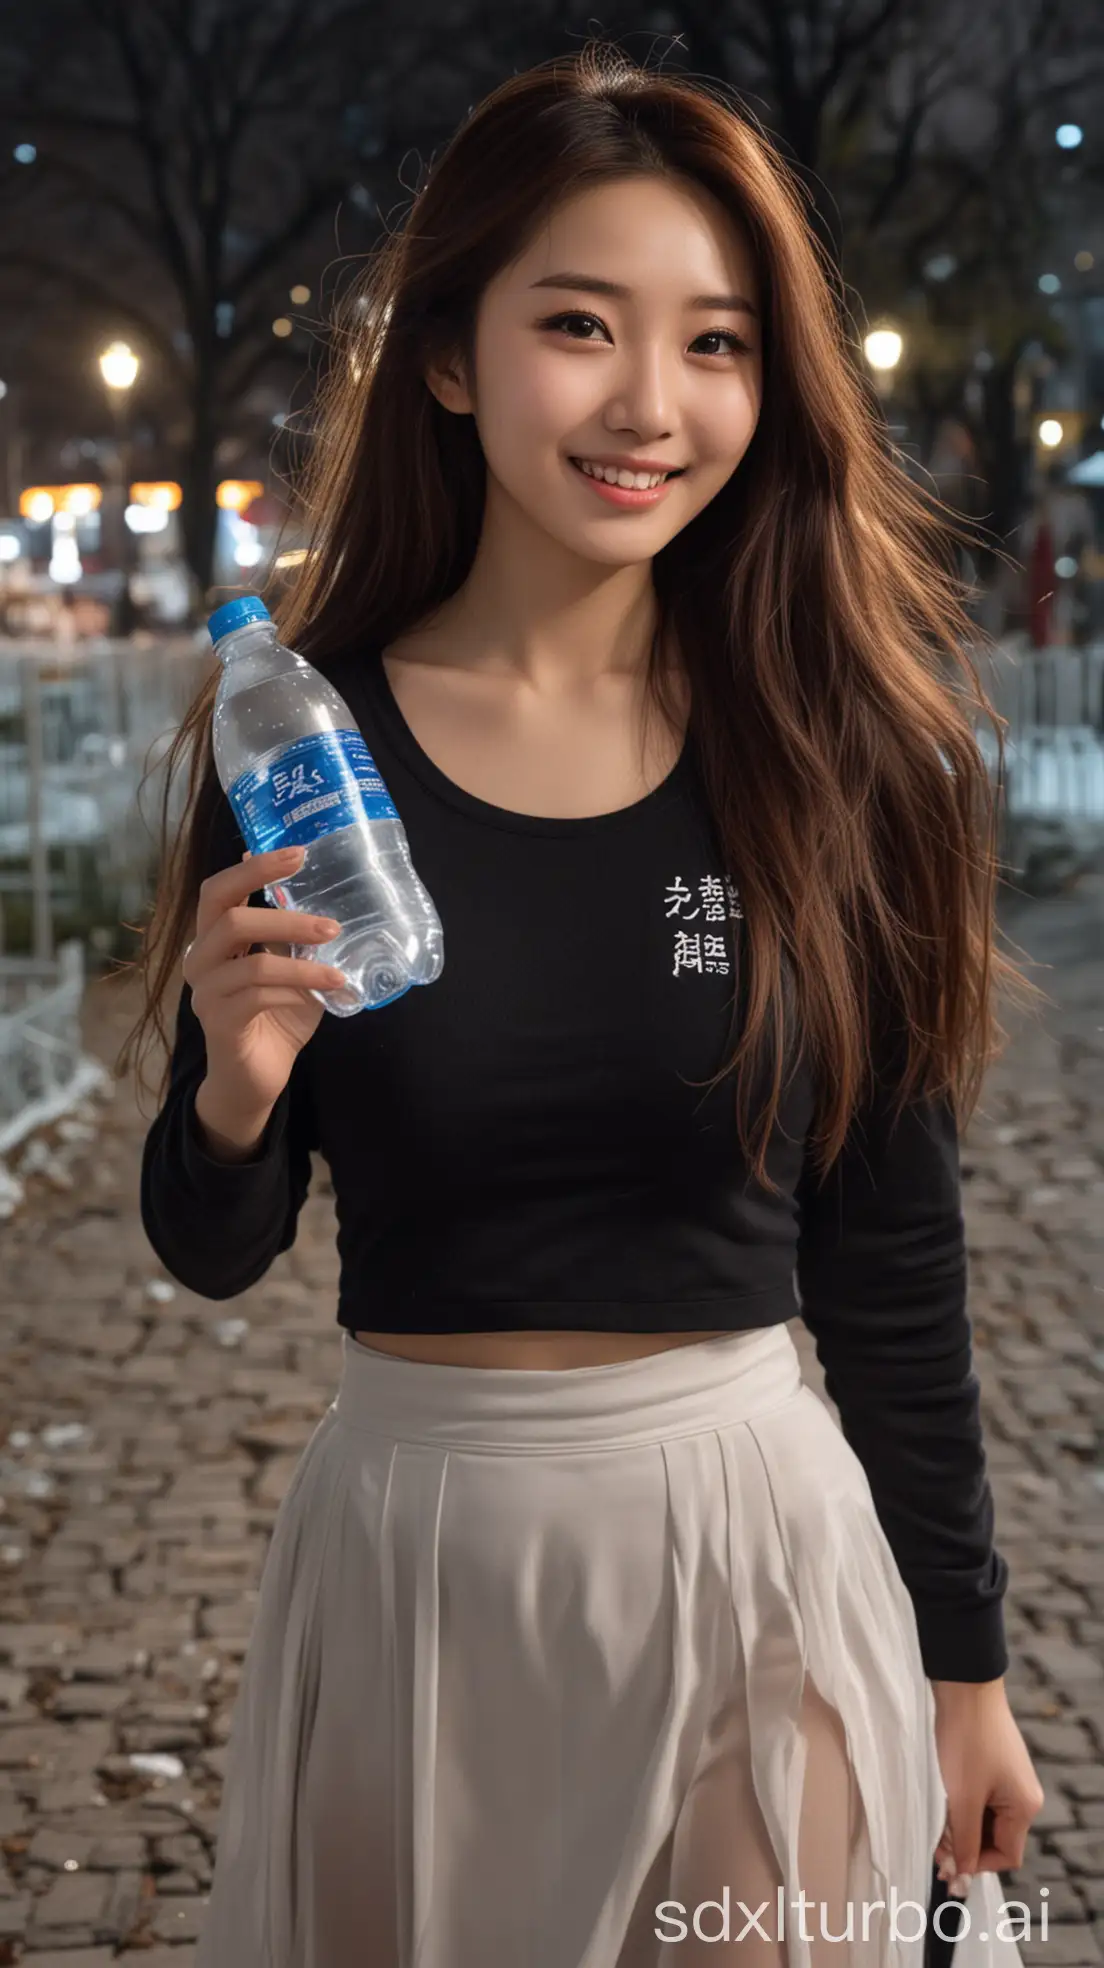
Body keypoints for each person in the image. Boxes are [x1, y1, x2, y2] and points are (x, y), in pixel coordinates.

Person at [123, 40, 1047, 1968]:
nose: (651, 403)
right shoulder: (311, 748)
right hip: (414, 1563)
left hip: (745, 1546)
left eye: (715, 343)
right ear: (450, 357)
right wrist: (231, 1092)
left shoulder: (840, 756)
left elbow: (893, 1253)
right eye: (579, 325)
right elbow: (217, 1248)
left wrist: (968, 1670)